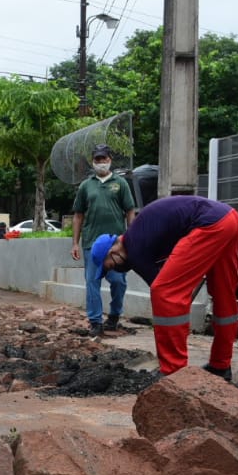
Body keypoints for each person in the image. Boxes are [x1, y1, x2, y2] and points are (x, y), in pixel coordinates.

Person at [91, 195, 238, 381]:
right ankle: (221, 366)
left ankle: (173, 370)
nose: (116, 269)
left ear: (113, 250)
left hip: (209, 225)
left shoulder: (135, 247)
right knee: (223, 294)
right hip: (229, 218)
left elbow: (162, 289)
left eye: (111, 265)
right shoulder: (139, 235)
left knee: (165, 293)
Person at [71, 143, 135, 338]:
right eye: (97, 160)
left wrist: (130, 237)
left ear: (110, 160)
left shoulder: (120, 183)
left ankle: (114, 315)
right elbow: (78, 215)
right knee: (92, 282)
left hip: (116, 243)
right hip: (91, 242)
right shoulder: (86, 185)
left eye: (104, 159)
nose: (101, 163)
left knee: (118, 281)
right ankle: (95, 322)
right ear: (93, 161)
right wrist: (75, 242)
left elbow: (130, 211)